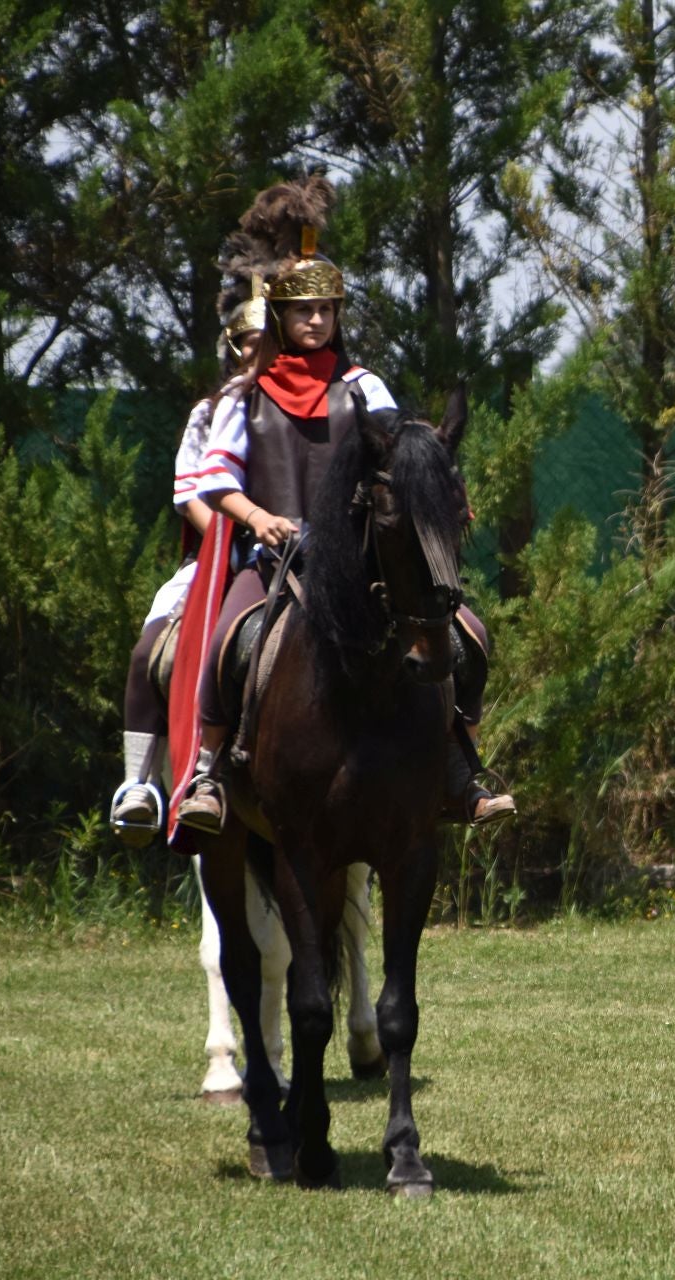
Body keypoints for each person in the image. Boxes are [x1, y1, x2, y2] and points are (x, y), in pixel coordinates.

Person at [175, 176, 511, 833]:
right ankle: (210, 774)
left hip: (357, 564)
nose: (316, 321)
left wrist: (439, 486)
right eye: (304, 311)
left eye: (327, 310)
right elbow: (216, 483)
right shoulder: (245, 395)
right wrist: (258, 519)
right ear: (279, 317)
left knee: (467, 633)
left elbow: (402, 454)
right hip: (275, 561)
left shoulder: (364, 385)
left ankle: (459, 765)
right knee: (224, 641)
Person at [107, 287, 263, 842]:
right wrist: (236, 532)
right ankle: (139, 784)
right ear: (234, 349)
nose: (260, 353)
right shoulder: (210, 412)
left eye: (269, 342)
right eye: (250, 343)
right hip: (220, 552)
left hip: (297, 552)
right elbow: (192, 495)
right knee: (151, 649)